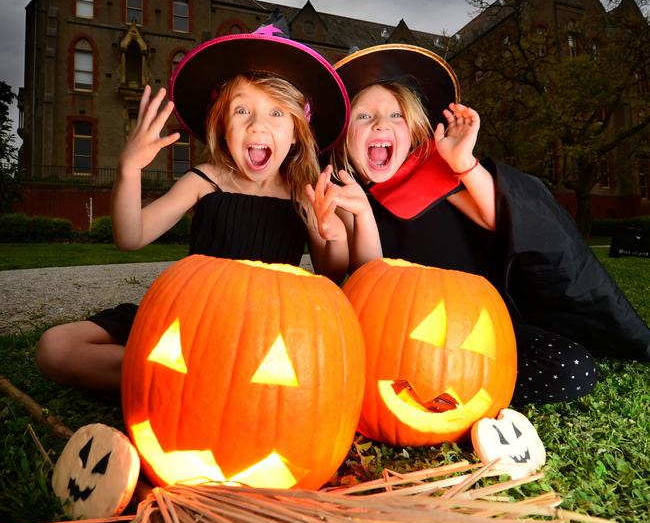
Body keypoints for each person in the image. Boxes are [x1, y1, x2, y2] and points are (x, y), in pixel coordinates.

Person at [310, 43, 650, 405]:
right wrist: (360, 215)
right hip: (398, 340)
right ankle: (433, 391)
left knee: (572, 369)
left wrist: (463, 163)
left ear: (413, 131)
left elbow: (509, 219)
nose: (381, 123)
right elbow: (369, 285)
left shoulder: (439, 174)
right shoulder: (345, 195)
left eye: (396, 116)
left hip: (479, 327)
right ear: (345, 135)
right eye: (364, 116)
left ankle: (457, 389)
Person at [36, 25, 350, 390]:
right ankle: (196, 382)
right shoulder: (205, 180)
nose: (257, 124)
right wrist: (129, 170)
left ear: (297, 132)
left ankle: (191, 383)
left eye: (277, 113)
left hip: (261, 334)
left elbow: (331, 272)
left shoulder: (303, 194)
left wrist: (333, 235)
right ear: (221, 125)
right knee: (55, 347)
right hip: (186, 317)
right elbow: (131, 236)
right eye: (242, 110)